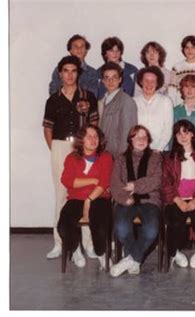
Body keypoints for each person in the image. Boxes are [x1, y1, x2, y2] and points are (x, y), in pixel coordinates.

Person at [42, 55, 99, 259]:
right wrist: (57, 150)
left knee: (84, 193)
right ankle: (60, 242)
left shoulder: (88, 96)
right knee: (61, 194)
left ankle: (88, 243)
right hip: (60, 145)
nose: (69, 75)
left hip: (82, 147)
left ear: (78, 73)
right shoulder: (53, 99)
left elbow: (94, 125)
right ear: (60, 74)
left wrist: (87, 148)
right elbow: (47, 129)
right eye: (65, 71)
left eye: (73, 70)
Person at [57, 125, 113, 270]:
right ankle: (75, 249)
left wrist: (89, 199)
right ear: (81, 139)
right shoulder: (71, 158)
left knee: (100, 226)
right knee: (63, 226)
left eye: (96, 136)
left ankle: (101, 253)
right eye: (89, 136)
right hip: (75, 198)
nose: (93, 139)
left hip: (99, 198)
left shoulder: (106, 157)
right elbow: (67, 180)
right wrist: (93, 180)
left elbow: (105, 182)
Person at [161, 120, 195, 269]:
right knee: (175, 221)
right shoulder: (168, 158)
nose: (182, 136)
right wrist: (178, 201)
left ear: (192, 134)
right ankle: (175, 252)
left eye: (186, 132)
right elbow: (165, 182)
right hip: (176, 199)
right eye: (178, 133)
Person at [110, 125, 162, 277]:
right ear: (130, 139)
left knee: (152, 230)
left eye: (144, 137)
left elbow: (156, 180)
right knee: (121, 228)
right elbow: (114, 183)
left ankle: (131, 259)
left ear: (149, 140)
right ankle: (135, 259)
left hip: (150, 200)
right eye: (137, 136)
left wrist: (135, 186)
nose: (141, 140)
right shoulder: (120, 159)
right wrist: (124, 198)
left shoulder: (156, 157)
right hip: (126, 200)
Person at [98, 62, 138, 158]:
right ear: (102, 81)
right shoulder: (101, 102)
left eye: (114, 77)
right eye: (107, 78)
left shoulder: (126, 101)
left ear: (120, 79)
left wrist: (121, 160)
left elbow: (127, 135)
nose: (110, 81)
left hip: (117, 156)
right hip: (103, 155)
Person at [134, 66, 174, 151]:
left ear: (157, 83)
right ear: (141, 82)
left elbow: (168, 128)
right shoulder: (133, 101)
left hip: (160, 150)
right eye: (146, 81)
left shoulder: (166, 101)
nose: (149, 84)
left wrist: (159, 149)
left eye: (153, 81)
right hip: (138, 149)